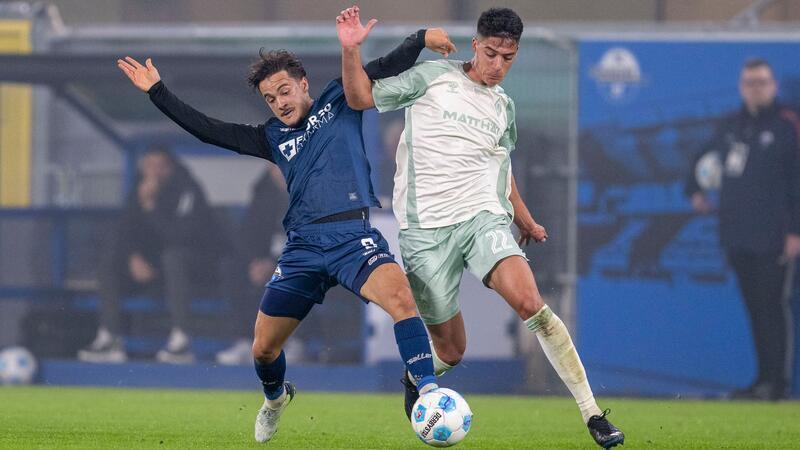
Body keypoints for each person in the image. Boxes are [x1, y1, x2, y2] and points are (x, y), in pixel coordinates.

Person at [117, 8, 456, 443]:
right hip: (303, 249)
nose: (280, 102)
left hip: (353, 237)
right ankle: (276, 397)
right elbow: (208, 130)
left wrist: (422, 35)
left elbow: (384, 65)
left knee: (403, 303)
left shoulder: (341, 99)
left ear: (303, 85)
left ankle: (427, 391)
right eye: (271, 98)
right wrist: (157, 92)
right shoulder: (270, 137)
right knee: (263, 348)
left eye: (284, 91)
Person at [340, 7, 624, 448]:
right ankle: (418, 375)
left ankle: (593, 414)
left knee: (532, 303)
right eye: (490, 54)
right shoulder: (432, 77)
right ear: (475, 45)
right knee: (451, 352)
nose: (497, 66)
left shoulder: (504, 107)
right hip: (425, 231)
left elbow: (500, 166)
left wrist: (524, 218)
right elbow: (358, 97)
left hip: (482, 220)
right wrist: (351, 49)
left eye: (508, 58)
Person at [686, 58, 800, 400]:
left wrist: (795, 231)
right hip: (737, 234)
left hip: (774, 236)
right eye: (750, 82)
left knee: (772, 307)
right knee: (754, 308)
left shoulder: (787, 125)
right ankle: (761, 379)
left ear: (774, 85)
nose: (756, 88)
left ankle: (776, 383)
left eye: (762, 82)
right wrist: (694, 189)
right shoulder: (732, 125)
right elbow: (702, 159)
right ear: (741, 87)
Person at [78, 146, 227, 364]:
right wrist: (133, 257)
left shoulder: (188, 190)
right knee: (109, 261)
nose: (154, 172)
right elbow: (124, 229)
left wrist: (151, 207)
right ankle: (109, 337)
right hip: (149, 267)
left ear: (171, 167)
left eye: (160, 167)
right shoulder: (137, 189)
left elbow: (180, 237)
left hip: (193, 268)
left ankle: (181, 340)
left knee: (173, 258)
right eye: (149, 166)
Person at [216, 166, 288, 365]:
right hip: (264, 261)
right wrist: (254, 260)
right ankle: (243, 340)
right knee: (233, 268)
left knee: (298, 274)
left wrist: (274, 262)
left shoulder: (311, 191)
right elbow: (248, 234)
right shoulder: (263, 191)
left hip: (298, 260)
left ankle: (290, 342)